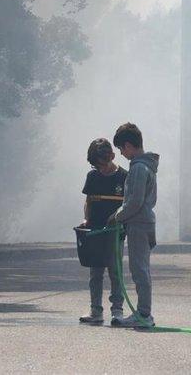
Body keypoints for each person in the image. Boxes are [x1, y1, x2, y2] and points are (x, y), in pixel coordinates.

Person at [108, 123, 159, 327]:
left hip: (139, 224)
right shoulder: (146, 165)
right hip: (143, 223)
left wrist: (117, 216)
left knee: (139, 270)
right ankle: (143, 313)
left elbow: (134, 202)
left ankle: (144, 315)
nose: (121, 153)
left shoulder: (138, 168)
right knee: (141, 269)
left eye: (121, 149)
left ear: (129, 145)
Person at [78, 138, 128, 326]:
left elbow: (128, 205)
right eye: (97, 166)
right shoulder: (92, 177)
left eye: (104, 165)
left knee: (115, 272)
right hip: (95, 232)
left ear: (112, 157)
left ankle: (117, 311)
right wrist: (86, 219)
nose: (102, 169)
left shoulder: (124, 177)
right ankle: (96, 310)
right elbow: (89, 201)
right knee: (95, 273)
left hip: (115, 232)